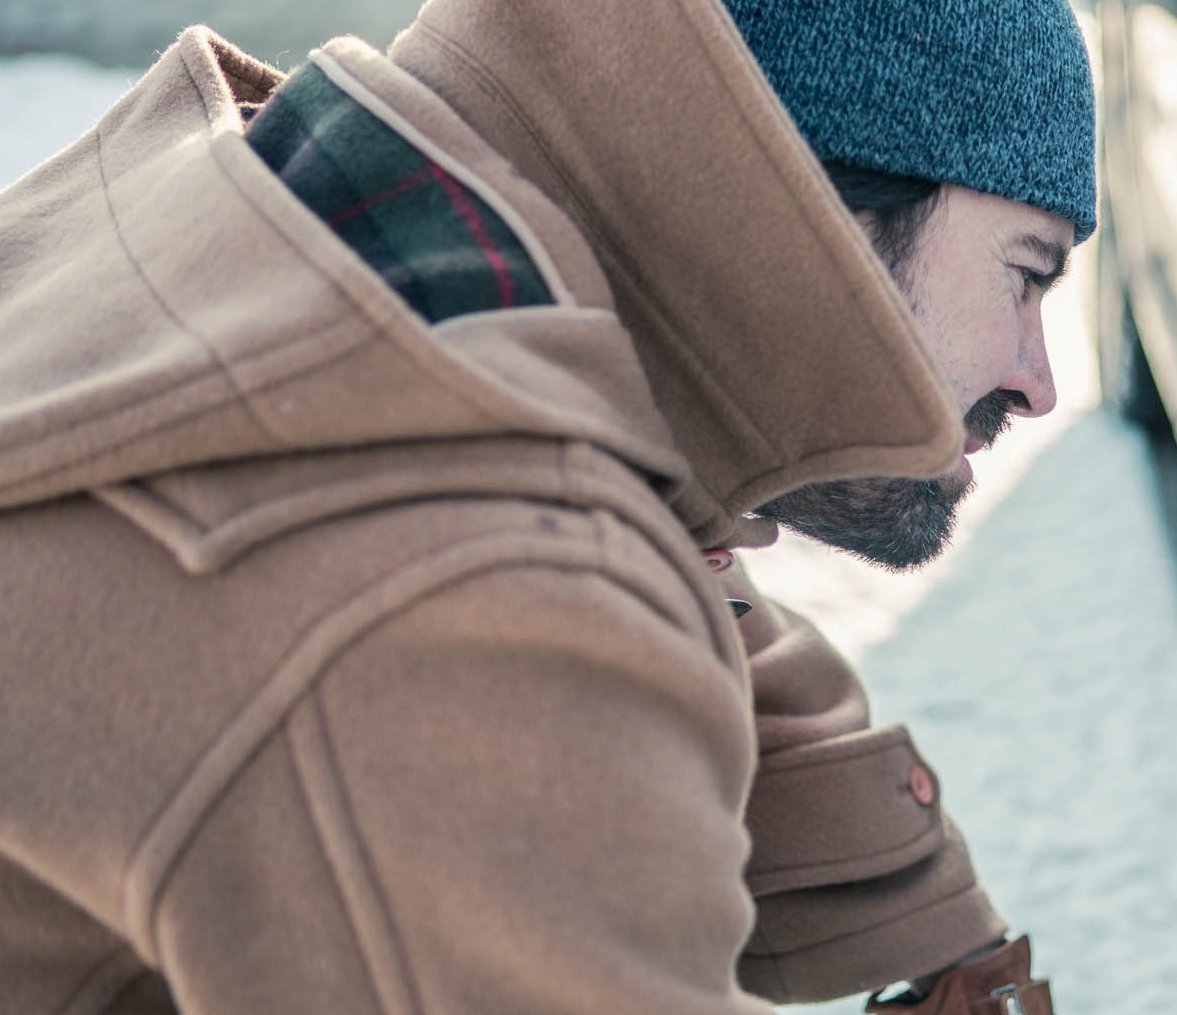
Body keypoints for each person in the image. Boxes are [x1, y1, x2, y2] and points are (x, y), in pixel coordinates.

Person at [0, 0, 1093, 1011]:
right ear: (820, 216)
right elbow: (539, 606)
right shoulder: (464, 591)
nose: (1039, 378)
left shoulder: (340, 248)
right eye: (1027, 273)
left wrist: (937, 934)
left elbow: (677, 545)